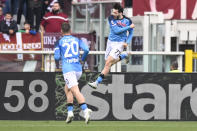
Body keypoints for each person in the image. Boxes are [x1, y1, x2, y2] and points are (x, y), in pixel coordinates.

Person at [88, 3, 134, 89]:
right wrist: (129, 27)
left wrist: (127, 42)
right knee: (108, 63)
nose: (113, 14)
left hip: (119, 44)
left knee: (108, 63)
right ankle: (124, 55)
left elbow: (131, 33)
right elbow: (116, 31)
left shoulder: (128, 20)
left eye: (115, 13)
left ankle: (96, 82)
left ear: (121, 13)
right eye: (113, 12)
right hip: (110, 42)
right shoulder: (111, 18)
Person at [54, 22, 92, 124]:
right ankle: (70, 112)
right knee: (68, 89)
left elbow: (57, 57)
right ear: (70, 31)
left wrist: (61, 55)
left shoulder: (59, 42)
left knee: (75, 90)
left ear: (61, 31)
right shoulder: (77, 39)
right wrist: (82, 60)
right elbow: (86, 50)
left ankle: (85, 109)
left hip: (68, 69)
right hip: (78, 68)